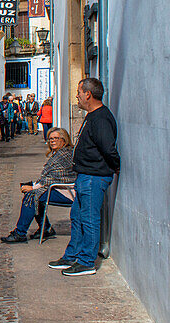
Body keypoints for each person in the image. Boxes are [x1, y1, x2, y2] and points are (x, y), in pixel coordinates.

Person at [48, 78, 119, 276]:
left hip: (93, 177)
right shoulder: (92, 116)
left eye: (79, 92)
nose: (77, 96)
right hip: (85, 177)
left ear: (88, 94)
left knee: (89, 219)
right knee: (77, 217)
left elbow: (108, 148)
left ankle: (87, 261)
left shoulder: (101, 118)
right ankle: (73, 256)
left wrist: (115, 166)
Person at [1, 128, 76, 243]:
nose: (52, 141)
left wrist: (33, 187)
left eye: (56, 138)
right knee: (36, 195)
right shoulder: (60, 153)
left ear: (64, 140)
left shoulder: (64, 155)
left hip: (67, 192)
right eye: (50, 139)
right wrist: (34, 186)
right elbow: (49, 179)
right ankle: (46, 228)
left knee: (32, 196)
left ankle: (20, 233)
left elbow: (51, 179)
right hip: (58, 188)